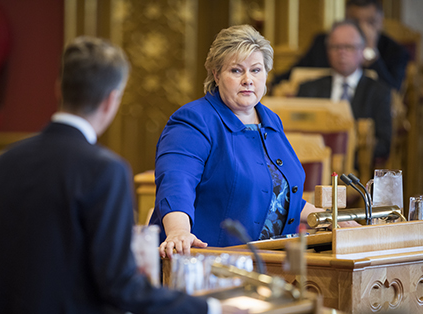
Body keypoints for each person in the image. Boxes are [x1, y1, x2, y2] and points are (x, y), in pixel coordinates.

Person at [0, 36, 263, 314]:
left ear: (59, 88)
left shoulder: (4, 163)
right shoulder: (104, 171)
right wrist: (210, 312)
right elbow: (120, 284)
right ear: (111, 100)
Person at [148, 25, 358, 259]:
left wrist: (333, 220)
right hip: (209, 263)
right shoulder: (195, 120)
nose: (248, 80)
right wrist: (178, 231)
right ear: (216, 75)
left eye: (256, 70)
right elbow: (177, 182)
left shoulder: (270, 120)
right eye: (237, 71)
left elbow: (280, 197)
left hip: (272, 261)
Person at [296, 20, 392, 162]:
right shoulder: (308, 89)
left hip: (356, 171)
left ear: (362, 50)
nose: (342, 52)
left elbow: (384, 144)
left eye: (349, 47)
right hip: (314, 161)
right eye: (336, 47)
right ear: (327, 50)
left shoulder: (379, 91)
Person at [273, 0, 409, 91]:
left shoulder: (396, 52)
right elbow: (289, 76)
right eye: (355, 22)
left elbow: (392, 94)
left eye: (370, 22)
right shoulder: (324, 43)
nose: (362, 30)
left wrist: (370, 53)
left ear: (381, 22)